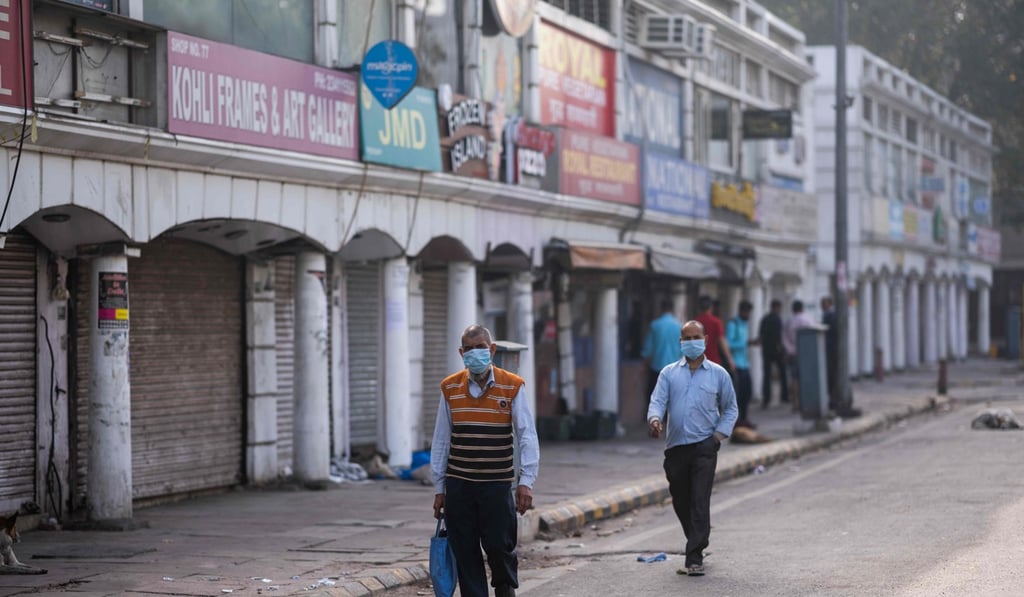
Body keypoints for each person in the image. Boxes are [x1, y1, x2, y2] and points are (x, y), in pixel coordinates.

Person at [430, 324, 540, 597]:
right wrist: (439, 488)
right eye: (470, 348)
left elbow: (527, 436)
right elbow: (442, 440)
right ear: (461, 353)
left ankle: (505, 591)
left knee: (500, 549)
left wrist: (525, 482)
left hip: (497, 485)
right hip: (460, 486)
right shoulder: (450, 388)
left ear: (491, 350)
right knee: (465, 554)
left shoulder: (512, 386)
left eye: (481, 347)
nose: (476, 353)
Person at [647, 320, 738, 577]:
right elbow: (657, 402)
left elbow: (730, 408)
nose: (692, 342)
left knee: (699, 499)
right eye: (687, 338)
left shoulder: (719, 374)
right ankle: (695, 539)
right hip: (676, 448)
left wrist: (718, 437)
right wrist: (655, 420)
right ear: (680, 342)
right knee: (681, 499)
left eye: (696, 337)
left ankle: (694, 556)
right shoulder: (668, 373)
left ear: (706, 340)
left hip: (705, 447)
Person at [641, 299, 682, 401]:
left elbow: (647, 350)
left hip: (656, 369)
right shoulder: (679, 326)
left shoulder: (655, 325)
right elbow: (683, 351)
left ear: (661, 309)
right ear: (672, 309)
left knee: (655, 399)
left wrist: (644, 368)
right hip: (674, 370)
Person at [726, 300, 755, 429]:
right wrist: (745, 344)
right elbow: (728, 344)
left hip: (745, 364)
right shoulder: (733, 324)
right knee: (737, 395)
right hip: (735, 364)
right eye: (747, 312)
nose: (748, 315)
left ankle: (744, 418)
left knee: (746, 393)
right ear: (742, 311)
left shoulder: (745, 324)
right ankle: (735, 421)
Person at [782, 300, 815, 404]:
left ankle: (795, 402)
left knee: (794, 378)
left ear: (793, 309)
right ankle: (805, 401)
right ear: (802, 308)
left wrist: (790, 350)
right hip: (806, 353)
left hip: (793, 354)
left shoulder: (789, 321)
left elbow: (784, 338)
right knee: (806, 377)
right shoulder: (808, 320)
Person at [758, 299, 788, 408]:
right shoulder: (777, 319)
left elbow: (761, 335)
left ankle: (766, 398)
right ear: (776, 307)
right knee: (783, 373)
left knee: (766, 375)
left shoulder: (764, 319)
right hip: (777, 350)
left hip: (766, 350)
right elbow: (779, 336)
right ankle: (784, 396)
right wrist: (782, 349)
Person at [694, 296, 735, 372]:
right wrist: (730, 360)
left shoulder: (695, 322)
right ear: (711, 307)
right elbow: (722, 340)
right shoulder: (716, 322)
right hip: (713, 361)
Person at [821, 296, 838, 410]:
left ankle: (833, 399)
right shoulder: (827, 315)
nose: (822, 306)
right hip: (829, 349)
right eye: (821, 303)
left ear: (830, 304)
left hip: (831, 349)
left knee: (831, 375)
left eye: (824, 303)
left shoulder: (831, 316)